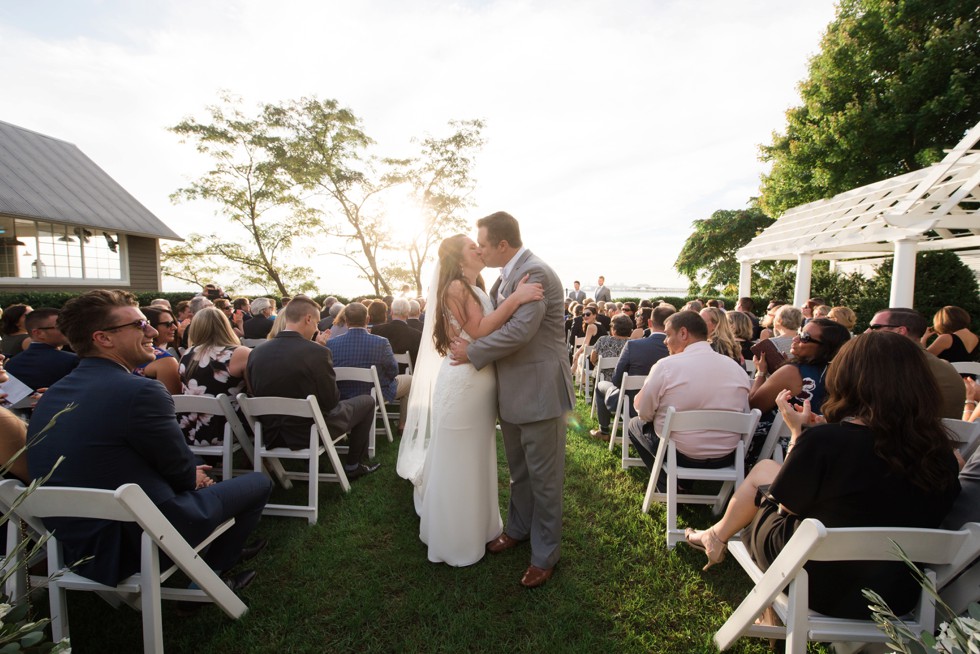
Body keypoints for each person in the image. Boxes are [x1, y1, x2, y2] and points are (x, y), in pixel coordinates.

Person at [684, 331, 960, 619]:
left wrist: (798, 436)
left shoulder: (827, 442)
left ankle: (717, 539)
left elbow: (786, 505)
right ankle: (714, 536)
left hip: (816, 581)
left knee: (764, 490)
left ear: (848, 378)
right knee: (767, 474)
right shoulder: (941, 454)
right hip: (895, 593)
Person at [26, 290, 271, 590]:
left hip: (76, 542)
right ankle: (212, 577)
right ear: (103, 338)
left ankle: (218, 550)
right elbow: (181, 476)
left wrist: (186, 471)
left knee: (195, 468)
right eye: (140, 325)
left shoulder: (51, 394)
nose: (153, 331)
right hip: (139, 536)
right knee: (258, 483)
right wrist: (190, 476)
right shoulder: (141, 391)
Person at [396, 233, 543, 568]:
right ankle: (455, 537)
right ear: (458, 259)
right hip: (464, 384)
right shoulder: (455, 288)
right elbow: (478, 331)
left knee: (478, 454)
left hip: (479, 380)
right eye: (471, 247)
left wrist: (510, 294)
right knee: (460, 456)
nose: (479, 249)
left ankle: (481, 526)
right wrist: (517, 298)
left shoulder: (474, 285)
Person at [446, 213, 575, 587]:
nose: (479, 250)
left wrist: (473, 351)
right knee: (520, 474)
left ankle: (544, 554)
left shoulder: (535, 273)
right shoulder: (505, 277)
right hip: (512, 393)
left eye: (483, 244)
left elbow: (519, 331)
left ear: (503, 244)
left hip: (540, 392)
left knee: (545, 479)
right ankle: (517, 529)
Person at [246, 296, 379, 480]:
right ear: (308, 319)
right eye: (316, 322)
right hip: (309, 432)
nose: (317, 328)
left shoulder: (256, 353)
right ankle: (353, 465)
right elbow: (331, 402)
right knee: (367, 401)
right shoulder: (318, 352)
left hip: (270, 433)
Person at [627, 311, 752, 480]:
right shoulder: (737, 369)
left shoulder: (666, 366)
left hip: (678, 454)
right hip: (728, 455)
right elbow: (745, 410)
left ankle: (665, 483)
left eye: (668, 335)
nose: (665, 341)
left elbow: (644, 412)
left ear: (683, 333)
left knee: (634, 424)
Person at [869, 307, 965, 418]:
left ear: (900, 331)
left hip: (906, 432)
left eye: (875, 327)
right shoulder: (943, 366)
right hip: (945, 432)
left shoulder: (895, 365)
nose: (867, 332)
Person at [178, 308, 251, 446]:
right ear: (225, 326)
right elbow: (254, 389)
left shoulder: (187, 354)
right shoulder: (239, 353)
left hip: (189, 429)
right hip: (226, 429)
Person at [4, 308, 77, 390]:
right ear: (38, 333)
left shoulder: (12, 364)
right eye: (61, 327)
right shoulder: (72, 361)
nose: (68, 330)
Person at [133, 306, 182, 395]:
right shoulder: (165, 362)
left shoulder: (124, 353)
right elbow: (175, 402)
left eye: (173, 322)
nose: (174, 327)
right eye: (168, 324)